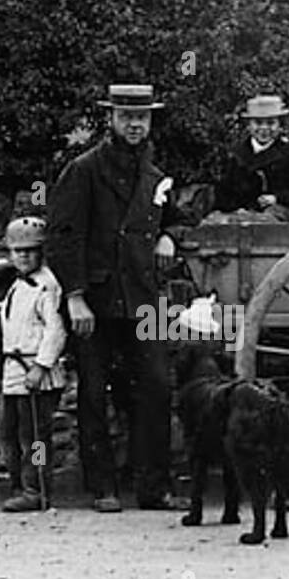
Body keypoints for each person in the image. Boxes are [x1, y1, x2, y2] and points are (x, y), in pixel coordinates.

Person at [46, 83, 186, 512]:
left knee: (158, 386)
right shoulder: (83, 170)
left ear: (150, 121)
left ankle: (154, 487)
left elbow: (180, 219)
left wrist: (168, 236)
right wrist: (74, 296)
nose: (134, 124)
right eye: (126, 116)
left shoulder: (156, 175)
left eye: (141, 117)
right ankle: (103, 487)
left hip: (145, 299)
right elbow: (63, 236)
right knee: (94, 391)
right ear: (111, 119)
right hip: (97, 301)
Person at [0, 216, 67, 512]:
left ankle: (36, 489)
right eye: (18, 251)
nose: (24, 256)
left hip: (35, 372)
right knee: (11, 433)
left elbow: (56, 330)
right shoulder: (18, 285)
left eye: (30, 250)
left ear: (42, 252)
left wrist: (41, 366)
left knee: (35, 438)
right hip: (14, 370)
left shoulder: (47, 286)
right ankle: (19, 483)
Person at [215, 95, 289, 219]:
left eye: (271, 123)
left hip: (279, 214)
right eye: (258, 123)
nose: (264, 128)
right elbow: (224, 191)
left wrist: (276, 198)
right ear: (249, 125)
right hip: (241, 213)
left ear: (279, 125)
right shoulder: (236, 154)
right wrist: (237, 209)